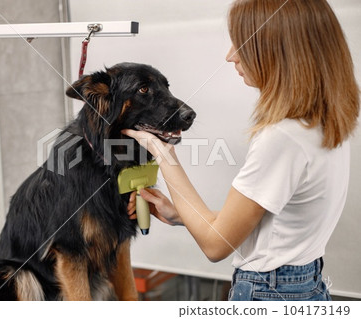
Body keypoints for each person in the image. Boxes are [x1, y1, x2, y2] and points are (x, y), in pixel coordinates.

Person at [123, 0, 359, 301]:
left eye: (242, 44)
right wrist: (182, 214)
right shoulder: (323, 124)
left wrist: (163, 152)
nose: (230, 56)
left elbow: (215, 245)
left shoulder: (282, 138)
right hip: (306, 285)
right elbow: (275, 223)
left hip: (269, 293)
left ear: (277, 50)